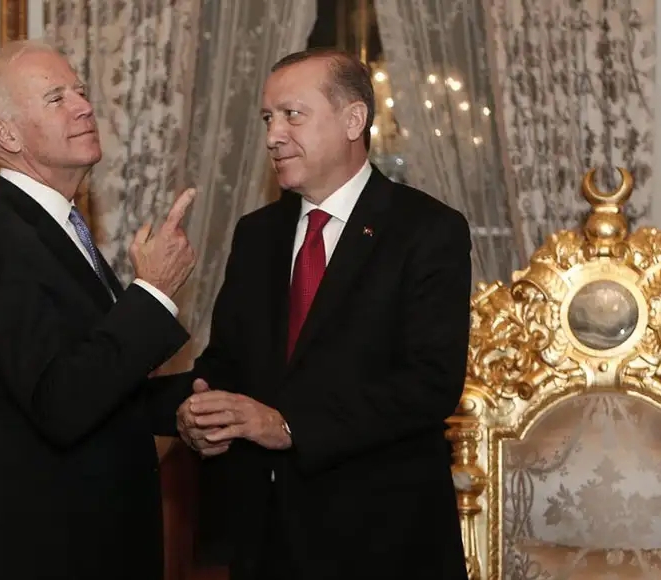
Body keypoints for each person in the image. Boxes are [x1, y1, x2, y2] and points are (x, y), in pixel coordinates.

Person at [177, 48, 471, 579]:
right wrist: (199, 414)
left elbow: (430, 384)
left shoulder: (427, 229)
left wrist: (290, 425)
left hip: (384, 541)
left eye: (293, 115)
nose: (273, 136)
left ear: (353, 120)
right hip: (267, 538)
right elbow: (227, 362)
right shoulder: (257, 234)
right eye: (268, 118)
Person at [0, 40, 197, 579]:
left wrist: (192, 403)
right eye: (56, 98)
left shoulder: (54, 229)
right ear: (7, 134)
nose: (84, 106)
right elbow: (60, 403)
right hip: (45, 554)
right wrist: (152, 292)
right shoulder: (1, 242)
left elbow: (98, 385)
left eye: (80, 91)